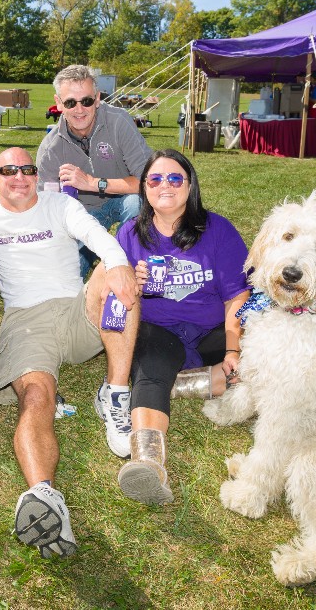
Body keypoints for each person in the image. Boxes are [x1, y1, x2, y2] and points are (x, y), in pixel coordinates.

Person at [0, 147, 140, 558]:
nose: (19, 176)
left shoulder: (60, 204)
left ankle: (115, 392)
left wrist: (118, 264)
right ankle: (44, 496)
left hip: (77, 312)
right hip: (26, 322)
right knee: (36, 397)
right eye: (8, 170)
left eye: (27, 169)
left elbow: (98, 237)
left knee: (115, 270)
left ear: (36, 175)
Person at [114, 149, 251, 505]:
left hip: (212, 331)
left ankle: (170, 385)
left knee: (259, 361)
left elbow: (237, 295)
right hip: (159, 332)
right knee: (151, 370)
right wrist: (132, 287)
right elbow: (113, 298)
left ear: (190, 187)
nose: (166, 185)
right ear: (144, 188)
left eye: (175, 178)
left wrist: (233, 348)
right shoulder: (129, 234)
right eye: (155, 178)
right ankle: (149, 464)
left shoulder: (218, 230)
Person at [36, 64, 151, 279]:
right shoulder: (50, 149)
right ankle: (92, 254)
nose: (79, 109)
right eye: (70, 102)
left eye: (87, 101)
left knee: (136, 204)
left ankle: (129, 265)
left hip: (124, 199)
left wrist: (93, 183)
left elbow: (148, 181)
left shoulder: (119, 122)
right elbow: (45, 206)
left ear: (97, 99)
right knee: (67, 278)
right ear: (59, 103)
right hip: (81, 215)